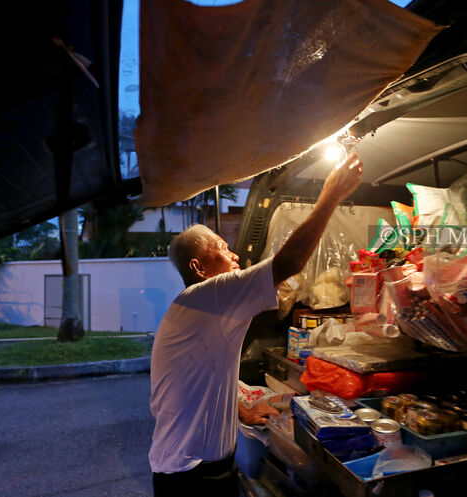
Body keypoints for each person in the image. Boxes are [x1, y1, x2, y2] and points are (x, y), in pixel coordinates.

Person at [149, 153, 363, 497]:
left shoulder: (201, 311)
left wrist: (240, 409)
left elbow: (204, 373)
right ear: (199, 267)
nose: (234, 255)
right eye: (222, 249)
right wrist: (332, 195)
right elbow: (289, 262)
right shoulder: (207, 294)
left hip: (204, 468)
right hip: (190, 476)